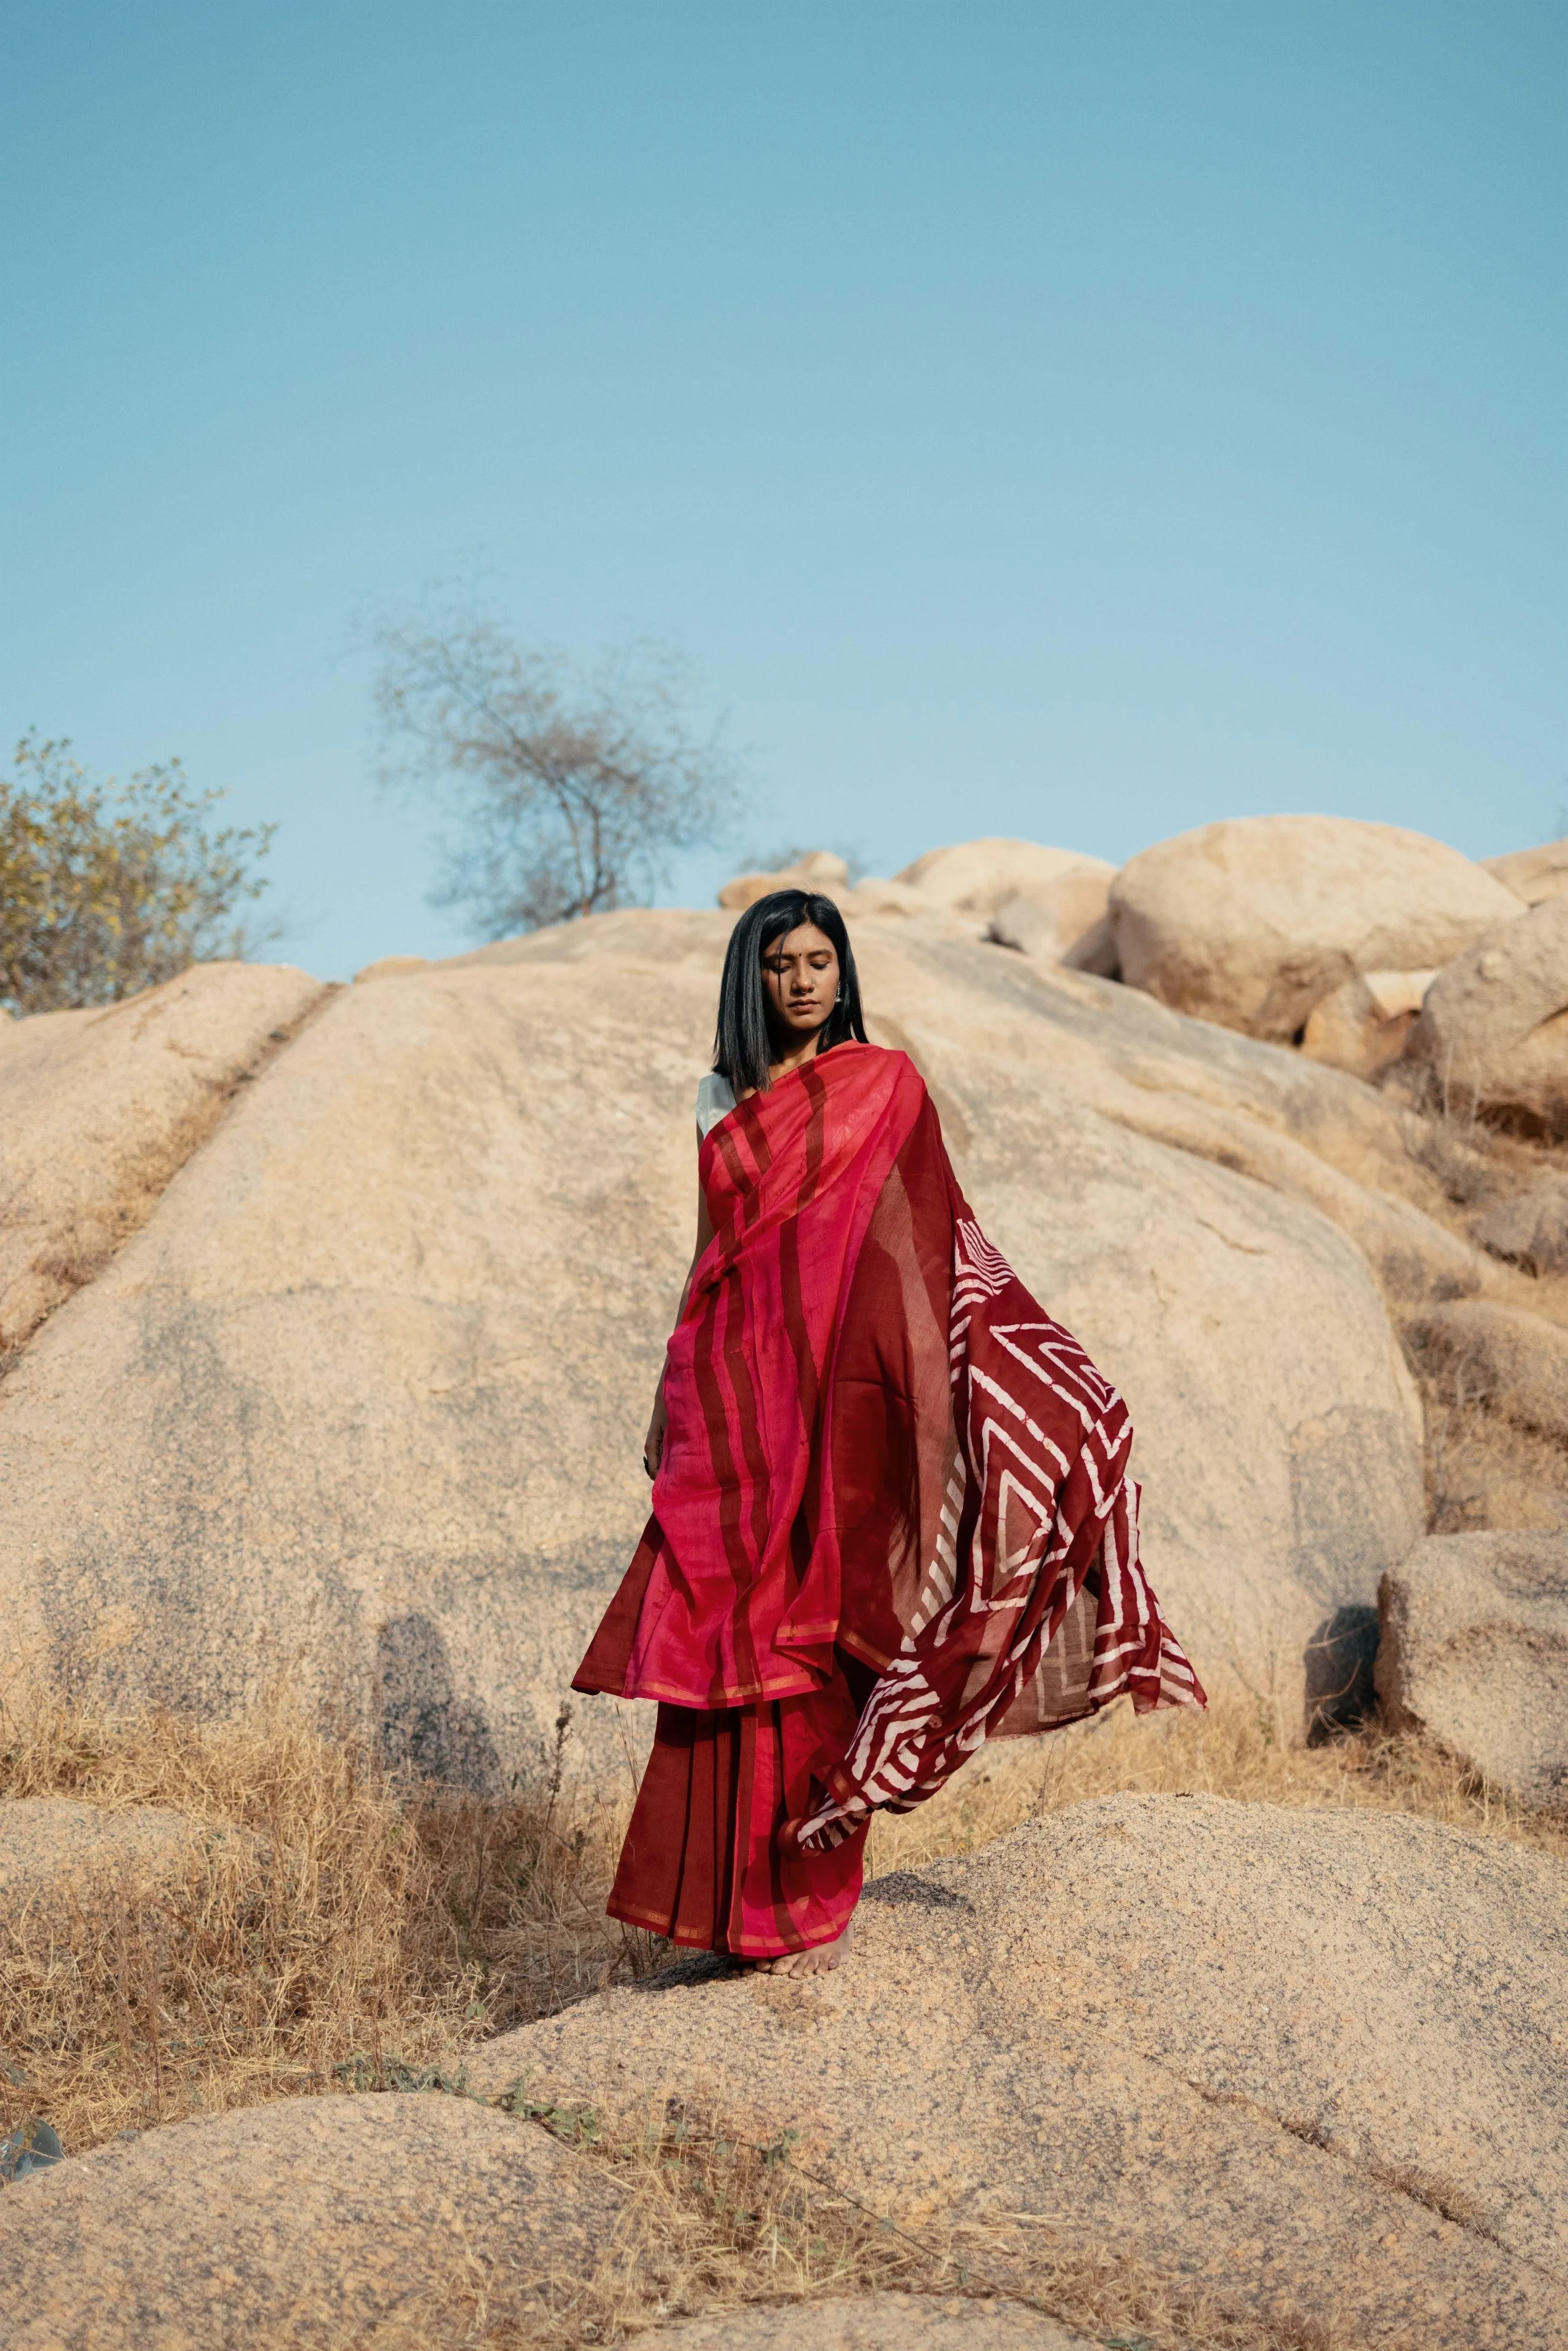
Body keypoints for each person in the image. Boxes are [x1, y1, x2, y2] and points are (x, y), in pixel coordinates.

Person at [573, 888, 1204, 1976]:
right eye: (784, 964)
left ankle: (802, 1902)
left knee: (819, 1637)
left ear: (843, 970)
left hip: (836, 1395)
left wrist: (995, 1375)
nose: (806, 979)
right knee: (729, 1636)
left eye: (822, 959)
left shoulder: (882, 1085)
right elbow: (707, 1248)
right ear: (753, 977)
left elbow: (936, 1236)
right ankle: (731, 1912)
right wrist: (663, 1392)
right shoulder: (716, 1095)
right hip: (734, 1390)